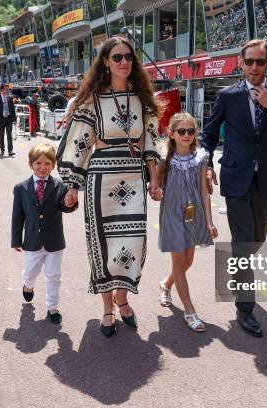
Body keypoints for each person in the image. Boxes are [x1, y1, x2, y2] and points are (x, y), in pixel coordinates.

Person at [58, 37, 163, 337]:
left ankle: (123, 297)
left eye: (128, 57)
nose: (124, 62)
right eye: (117, 57)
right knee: (104, 248)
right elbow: (79, 142)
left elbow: (151, 142)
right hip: (101, 181)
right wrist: (72, 185)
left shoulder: (143, 98)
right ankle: (108, 308)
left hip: (133, 179)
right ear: (105, 61)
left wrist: (154, 180)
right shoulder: (92, 99)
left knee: (132, 244)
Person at [201, 39, 267, 337]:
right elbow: (209, 133)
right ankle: (245, 309)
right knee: (243, 242)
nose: (254, 67)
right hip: (235, 178)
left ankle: (238, 270)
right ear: (241, 63)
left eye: (260, 62)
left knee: (256, 240)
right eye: (249, 62)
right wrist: (205, 164)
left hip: (265, 179)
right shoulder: (228, 95)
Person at [157, 112, 218, 332]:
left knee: (187, 262)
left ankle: (166, 284)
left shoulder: (201, 157)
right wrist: (154, 188)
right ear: (171, 134)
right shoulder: (164, 157)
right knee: (179, 261)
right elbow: (154, 182)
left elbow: (204, 192)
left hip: (194, 214)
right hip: (172, 213)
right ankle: (190, 311)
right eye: (181, 131)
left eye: (190, 131)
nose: (186, 135)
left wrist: (210, 222)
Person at [12, 143, 78, 324]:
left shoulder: (60, 186)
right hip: (32, 241)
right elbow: (17, 216)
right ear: (30, 164)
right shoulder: (21, 188)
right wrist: (16, 240)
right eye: (38, 163)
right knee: (30, 273)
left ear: (54, 165)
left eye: (47, 164)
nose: (42, 167)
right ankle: (28, 285)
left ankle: (52, 307)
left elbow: (65, 207)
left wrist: (70, 203)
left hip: (55, 240)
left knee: (54, 275)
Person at [0, 84, 16, 157]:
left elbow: (12, 109)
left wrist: (14, 119)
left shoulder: (10, 97)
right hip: (1, 119)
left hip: (9, 118)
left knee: (9, 135)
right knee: (1, 135)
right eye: (5, 89)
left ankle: (10, 150)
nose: (7, 90)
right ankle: (2, 150)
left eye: (7, 89)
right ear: (2, 89)